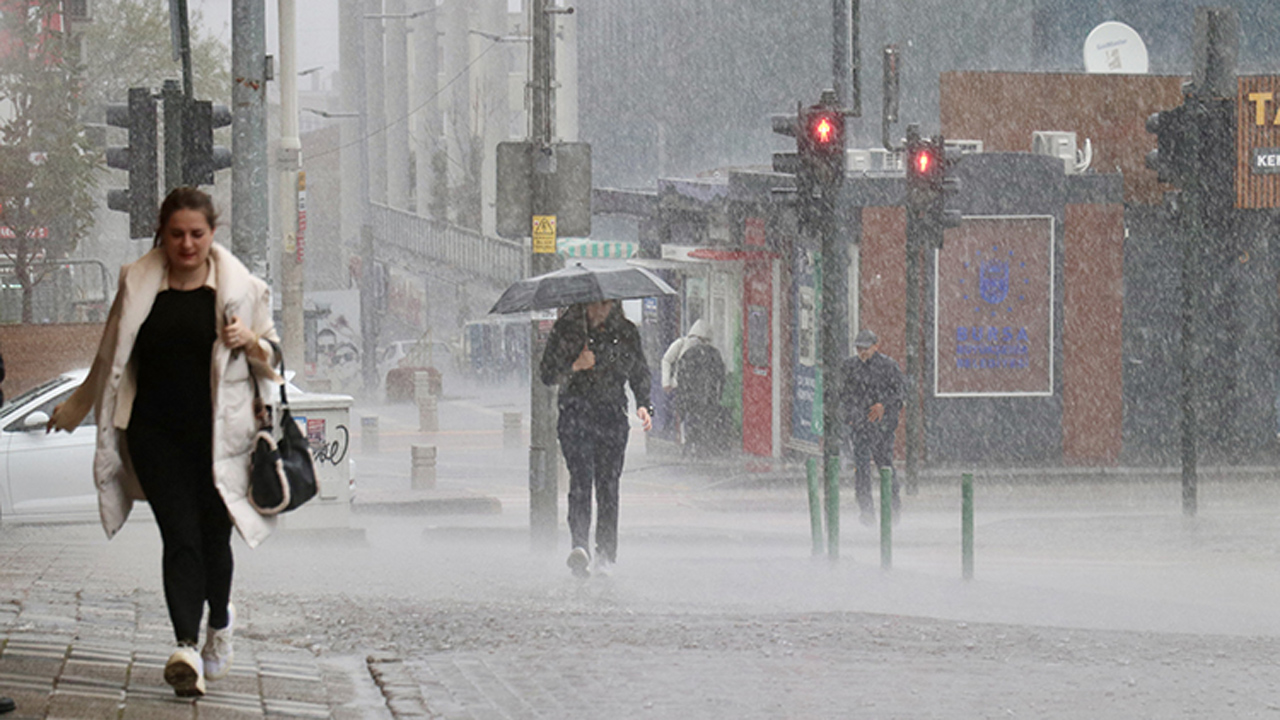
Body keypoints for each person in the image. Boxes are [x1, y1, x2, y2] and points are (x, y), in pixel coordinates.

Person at [48, 187, 280, 698]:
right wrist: (76, 407)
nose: (187, 244)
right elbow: (109, 354)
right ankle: (185, 648)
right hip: (155, 436)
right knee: (180, 538)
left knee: (215, 540)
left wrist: (251, 342)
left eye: (197, 234)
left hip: (221, 438)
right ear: (162, 233)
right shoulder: (137, 282)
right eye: (176, 234)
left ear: (212, 233)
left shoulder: (242, 290)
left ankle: (220, 621)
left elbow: (274, 360)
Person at [540, 299, 653, 578]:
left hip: (611, 417)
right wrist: (575, 366)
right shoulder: (567, 330)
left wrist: (643, 403)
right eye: (595, 304)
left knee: (608, 486)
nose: (600, 310)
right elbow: (547, 373)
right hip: (575, 415)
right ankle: (580, 545)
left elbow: (638, 370)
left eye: (607, 304)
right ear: (583, 304)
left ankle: (606, 554)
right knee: (580, 481)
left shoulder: (625, 331)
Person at [840, 328, 905, 525]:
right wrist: (850, 416)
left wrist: (883, 405)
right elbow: (843, 394)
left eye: (866, 348)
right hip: (860, 426)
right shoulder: (849, 367)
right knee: (861, 470)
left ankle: (893, 508)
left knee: (885, 466)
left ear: (876, 346)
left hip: (882, 428)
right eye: (859, 348)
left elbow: (900, 392)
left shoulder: (888, 366)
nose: (862, 352)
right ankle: (866, 511)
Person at [660, 319, 711, 441]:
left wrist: (667, 382)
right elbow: (666, 360)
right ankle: (684, 437)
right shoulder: (682, 344)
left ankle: (685, 438)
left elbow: (667, 360)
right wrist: (667, 382)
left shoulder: (682, 344)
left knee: (683, 413)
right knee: (683, 413)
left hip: (687, 386)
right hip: (684, 386)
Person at [675, 335, 726, 457]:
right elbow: (721, 375)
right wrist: (718, 393)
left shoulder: (688, 354)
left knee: (693, 419)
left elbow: (681, 375)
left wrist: (683, 392)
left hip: (693, 394)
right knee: (707, 419)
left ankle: (691, 444)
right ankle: (704, 445)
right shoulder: (714, 354)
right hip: (708, 394)